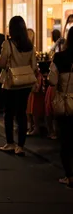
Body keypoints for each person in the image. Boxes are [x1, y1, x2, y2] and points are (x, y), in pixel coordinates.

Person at [0, 16, 37, 157]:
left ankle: (10, 143)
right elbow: (33, 66)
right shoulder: (29, 45)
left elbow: (1, 63)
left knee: (9, 113)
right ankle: (20, 146)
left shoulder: (8, 44)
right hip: (25, 84)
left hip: (10, 84)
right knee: (22, 114)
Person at [48, 26, 73, 188]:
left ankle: (69, 176)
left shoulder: (60, 57)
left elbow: (52, 81)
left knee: (66, 140)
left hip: (66, 104)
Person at [45, 29, 63, 140]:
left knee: (51, 108)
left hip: (58, 86)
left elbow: (52, 78)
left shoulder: (58, 55)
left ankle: (52, 132)